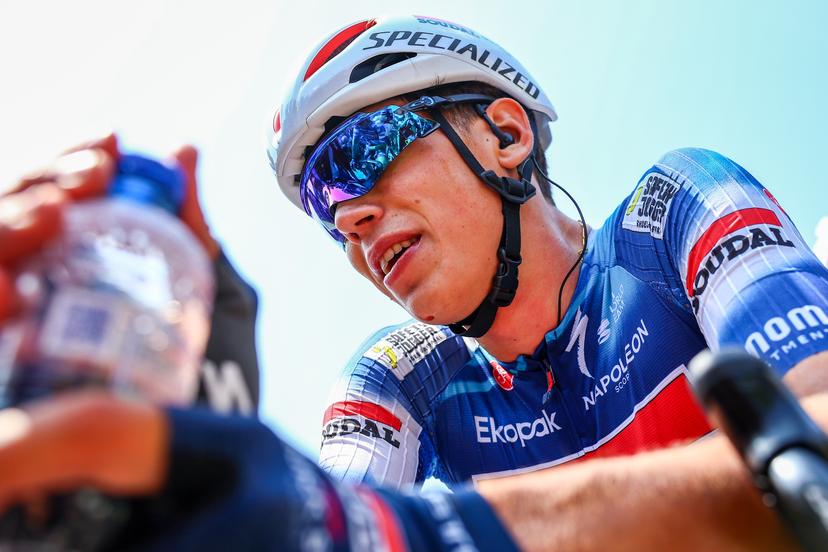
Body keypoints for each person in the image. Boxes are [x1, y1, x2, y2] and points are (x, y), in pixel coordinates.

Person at [265, 14, 828, 488]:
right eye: (323, 205)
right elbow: (336, 530)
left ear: (506, 137)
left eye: (363, 151)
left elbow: (819, 404)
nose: (348, 219)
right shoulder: (402, 375)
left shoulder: (670, 212)